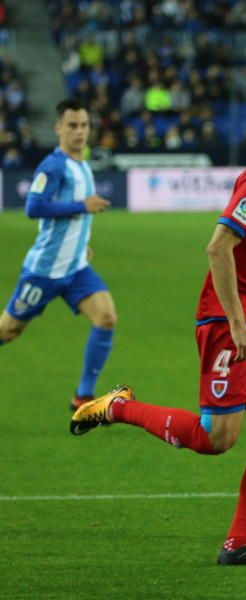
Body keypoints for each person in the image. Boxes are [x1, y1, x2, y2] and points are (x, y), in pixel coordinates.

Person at [70, 90, 246, 566]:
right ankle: (117, 408)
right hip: (226, 318)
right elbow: (218, 248)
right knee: (218, 439)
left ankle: (239, 543)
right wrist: (236, 322)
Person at [0, 99, 114, 411]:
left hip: (76, 268)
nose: (79, 132)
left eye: (84, 125)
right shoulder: (53, 166)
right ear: (58, 128)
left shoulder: (82, 164)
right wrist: (82, 206)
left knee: (106, 317)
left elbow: (76, 221)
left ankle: (83, 397)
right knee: (8, 331)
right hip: (45, 271)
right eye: (73, 126)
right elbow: (33, 207)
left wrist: (81, 244)